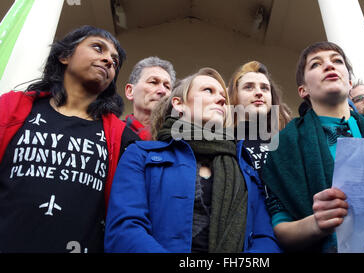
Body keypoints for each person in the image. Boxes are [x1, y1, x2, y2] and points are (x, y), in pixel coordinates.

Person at [104, 67, 281, 253]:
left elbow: (266, 238)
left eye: (223, 96)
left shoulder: (245, 166)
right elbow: (124, 230)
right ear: (178, 104)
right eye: (208, 91)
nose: (221, 99)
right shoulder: (140, 154)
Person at [0, 25, 139, 252]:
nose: (108, 61)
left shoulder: (122, 138)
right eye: (98, 48)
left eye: (114, 60)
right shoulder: (10, 109)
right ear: (64, 56)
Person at [261, 41, 364, 252]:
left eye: (337, 61)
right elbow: (281, 227)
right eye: (316, 64)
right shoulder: (284, 146)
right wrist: (317, 223)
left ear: (350, 82)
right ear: (303, 90)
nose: (329, 66)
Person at [227, 60, 292, 176]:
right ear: (234, 95)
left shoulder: (287, 139)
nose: (259, 93)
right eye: (248, 87)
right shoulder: (223, 141)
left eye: (265, 88)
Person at [124, 56, 176, 140]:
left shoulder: (178, 137)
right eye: (153, 82)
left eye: (167, 86)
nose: (162, 91)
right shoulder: (111, 134)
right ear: (130, 91)